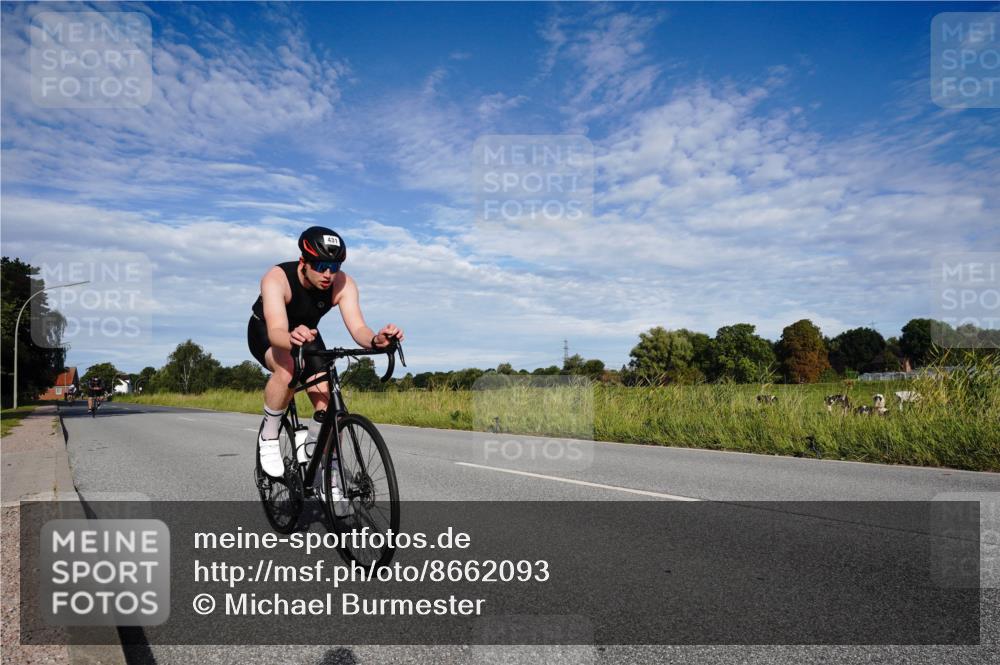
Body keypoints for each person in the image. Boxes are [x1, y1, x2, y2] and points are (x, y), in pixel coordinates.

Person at [248, 226, 404, 478]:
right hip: (268, 331)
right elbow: (277, 329)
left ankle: (320, 458)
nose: (328, 274)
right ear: (303, 262)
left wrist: (377, 340)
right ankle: (269, 435)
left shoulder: (343, 283)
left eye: (335, 266)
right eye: (321, 266)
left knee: (326, 398)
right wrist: (290, 338)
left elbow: (358, 328)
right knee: (289, 368)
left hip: (307, 334)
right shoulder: (276, 278)